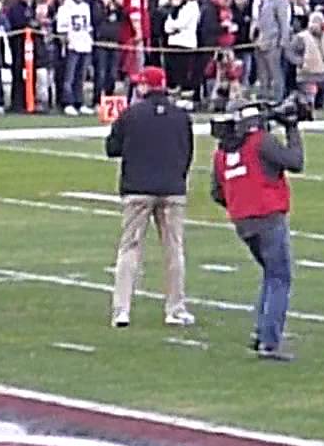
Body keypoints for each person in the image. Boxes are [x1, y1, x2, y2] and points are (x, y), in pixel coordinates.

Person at [210, 103, 304, 361]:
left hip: (243, 221)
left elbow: (217, 193)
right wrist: (292, 129)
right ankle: (269, 341)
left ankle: (262, 331)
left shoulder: (222, 152)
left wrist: (239, 202)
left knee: (271, 274)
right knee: (279, 277)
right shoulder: (261, 142)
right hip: (268, 215)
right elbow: (295, 162)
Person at [105, 66, 194, 328]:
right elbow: (187, 153)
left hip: (137, 188)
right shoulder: (181, 116)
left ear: (144, 86)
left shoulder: (131, 114)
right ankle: (175, 308)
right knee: (174, 250)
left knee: (129, 249)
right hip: (172, 188)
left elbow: (112, 148)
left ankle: (122, 310)